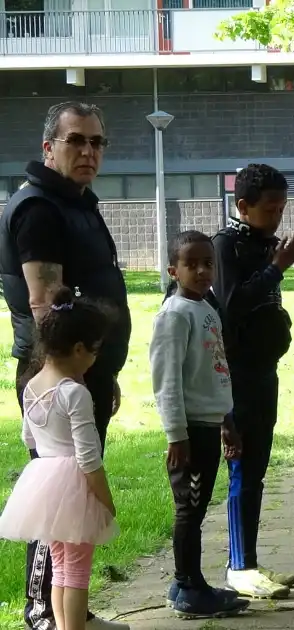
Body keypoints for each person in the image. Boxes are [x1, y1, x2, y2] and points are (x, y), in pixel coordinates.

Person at [0, 101, 132, 630]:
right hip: (56, 379)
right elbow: (45, 306)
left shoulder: (79, 202)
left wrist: (106, 372)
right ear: (48, 147)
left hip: (86, 373)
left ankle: (70, 610)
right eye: (76, 140)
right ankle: (42, 613)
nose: (88, 151)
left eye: (97, 142)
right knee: (54, 501)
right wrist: (70, 379)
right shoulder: (39, 209)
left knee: (72, 505)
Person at [211, 164, 294, 599]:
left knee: (258, 471)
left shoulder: (263, 243)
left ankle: (247, 558)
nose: (278, 216)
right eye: (270, 208)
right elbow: (231, 306)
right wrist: (277, 268)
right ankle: (238, 566)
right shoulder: (225, 246)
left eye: (283, 207)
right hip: (237, 376)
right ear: (243, 206)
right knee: (242, 468)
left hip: (266, 371)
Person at [0, 289, 117, 630]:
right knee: (77, 571)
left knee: (60, 565)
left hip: (43, 481)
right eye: (95, 351)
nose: (95, 359)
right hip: (75, 486)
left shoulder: (31, 384)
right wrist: (106, 501)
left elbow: (28, 438)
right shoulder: (74, 393)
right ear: (79, 349)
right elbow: (89, 458)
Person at [151, 231, 251, 618]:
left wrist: (228, 422)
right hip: (190, 431)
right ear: (174, 270)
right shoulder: (174, 315)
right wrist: (177, 436)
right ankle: (190, 587)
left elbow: (217, 373)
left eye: (208, 263)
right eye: (191, 264)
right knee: (189, 511)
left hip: (211, 426)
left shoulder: (207, 310)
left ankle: (183, 584)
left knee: (198, 507)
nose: (201, 271)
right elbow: (166, 381)